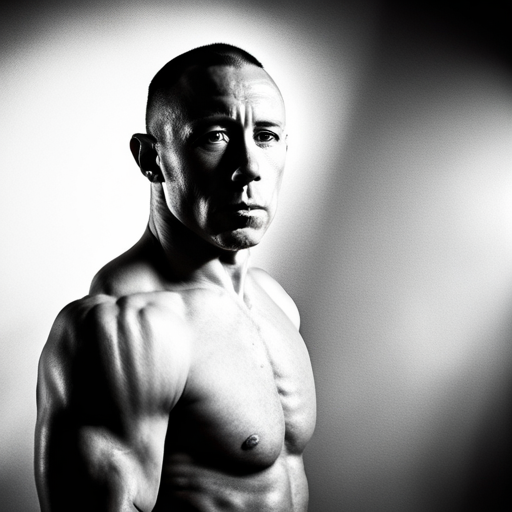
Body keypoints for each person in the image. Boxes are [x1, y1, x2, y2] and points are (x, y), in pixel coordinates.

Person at [35, 43, 316, 512]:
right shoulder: (123, 332)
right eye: (215, 136)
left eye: (265, 136)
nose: (248, 167)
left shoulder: (275, 302)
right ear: (151, 159)